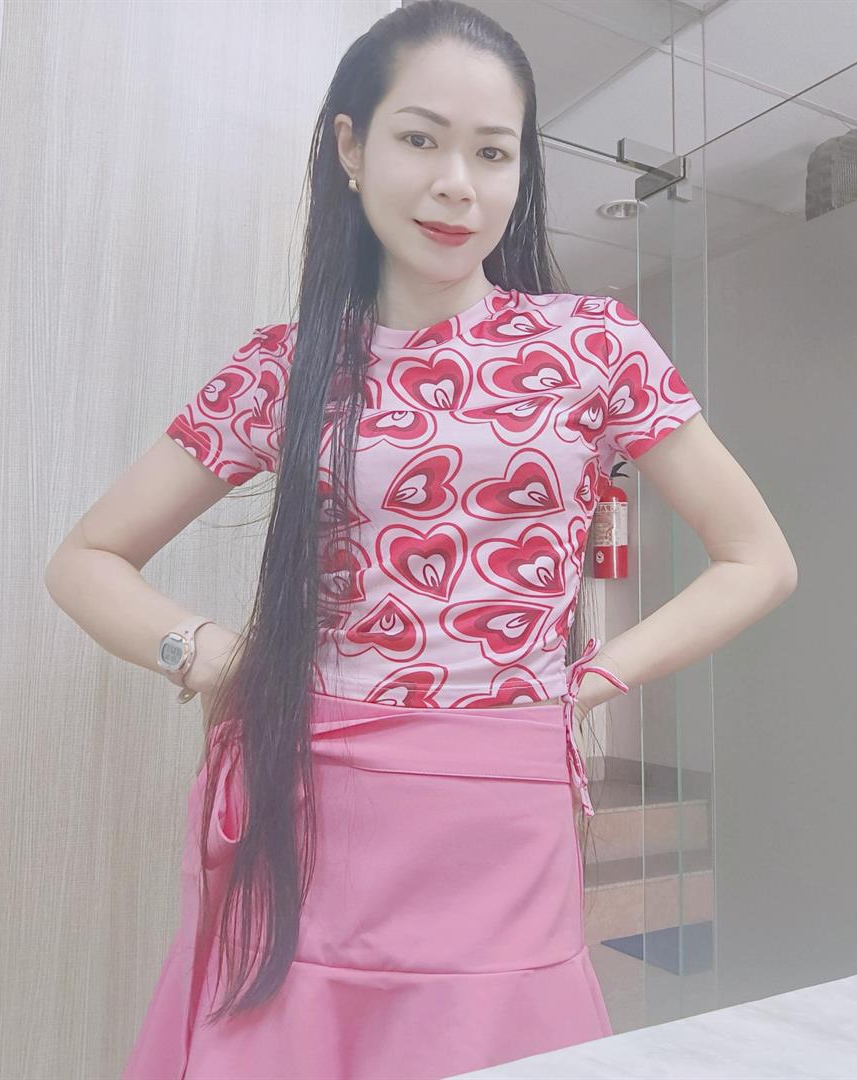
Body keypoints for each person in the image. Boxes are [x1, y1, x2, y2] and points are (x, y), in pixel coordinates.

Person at [44, 2, 798, 1077]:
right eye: (420, 138)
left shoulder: (593, 346)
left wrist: (586, 684)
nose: (457, 184)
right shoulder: (283, 365)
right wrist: (212, 656)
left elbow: (758, 558)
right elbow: (85, 560)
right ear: (350, 148)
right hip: (312, 804)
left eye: (492, 153)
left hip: (502, 814)